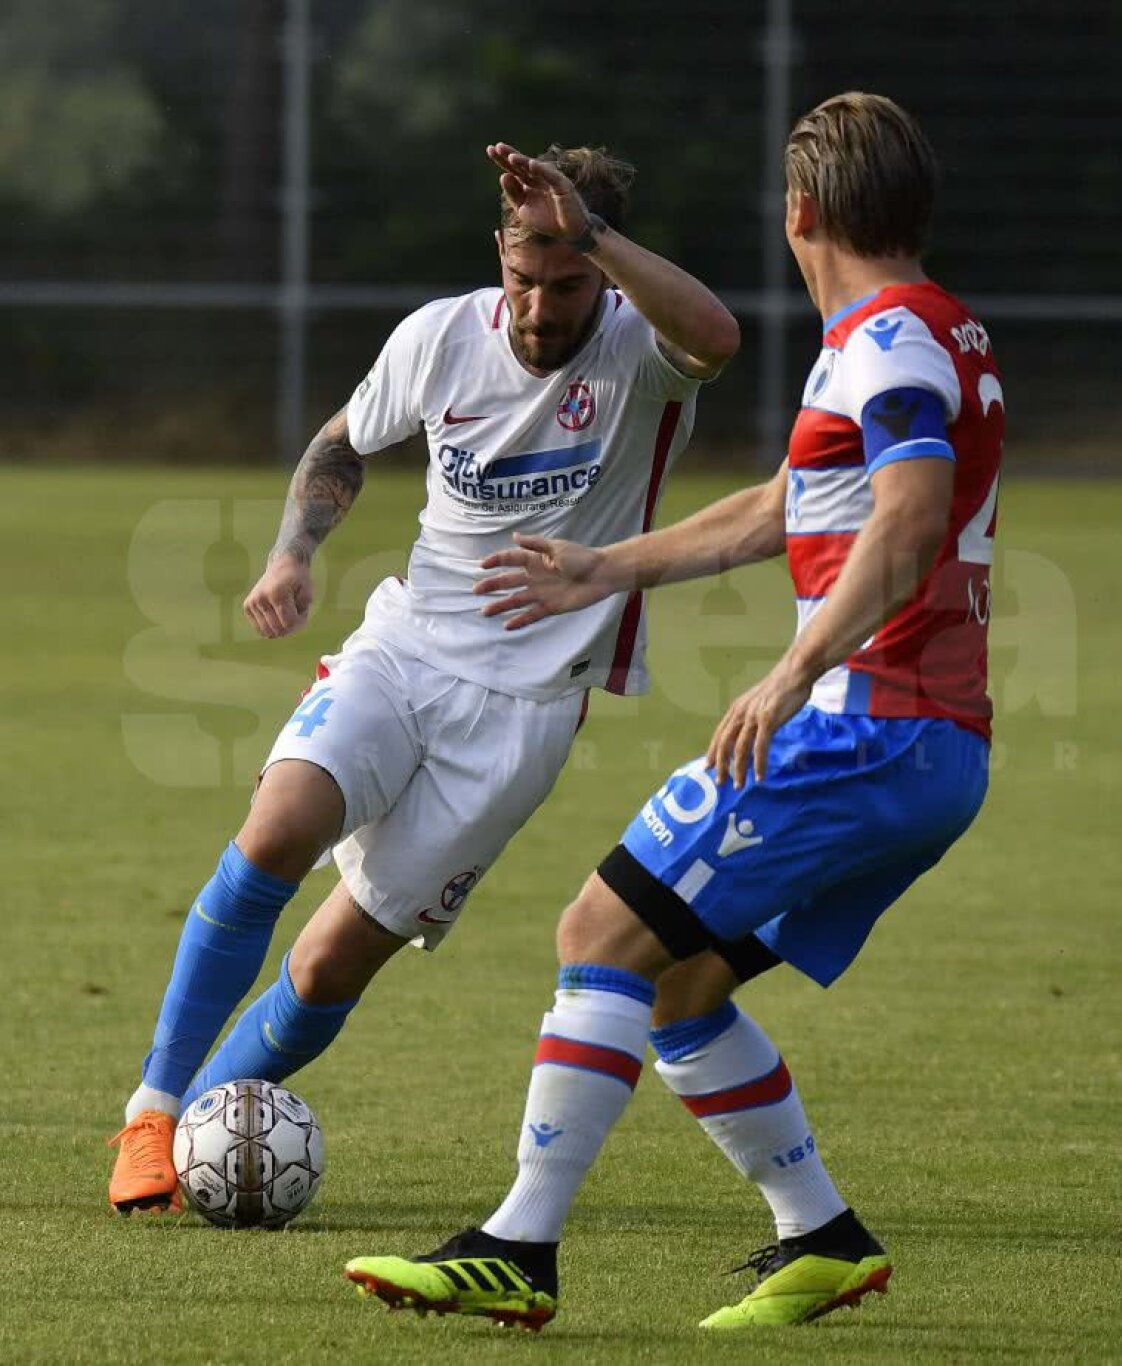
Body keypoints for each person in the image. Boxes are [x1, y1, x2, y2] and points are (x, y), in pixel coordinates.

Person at [343, 91, 1004, 1332]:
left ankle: (517, 1246)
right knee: (681, 981)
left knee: (599, 929)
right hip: (934, 749)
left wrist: (791, 670)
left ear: (800, 210)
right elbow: (788, 503)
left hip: (868, 725)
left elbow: (908, 520)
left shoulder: (886, 343)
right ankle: (821, 1235)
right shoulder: (936, 329)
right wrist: (605, 567)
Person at [107, 141, 740, 1213]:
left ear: (606, 265)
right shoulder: (441, 337)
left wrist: (596, 237)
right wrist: (292, 552)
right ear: (499, 253)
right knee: (275, 830)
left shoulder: (642, 353)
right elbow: (340, 445)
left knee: (334, 959)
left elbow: (718, 336)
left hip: (525, 713)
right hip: (404, 651)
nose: (540, 305)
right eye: (523, 275)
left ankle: (208, 1128)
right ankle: (156, 1112)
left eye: (570, 277)